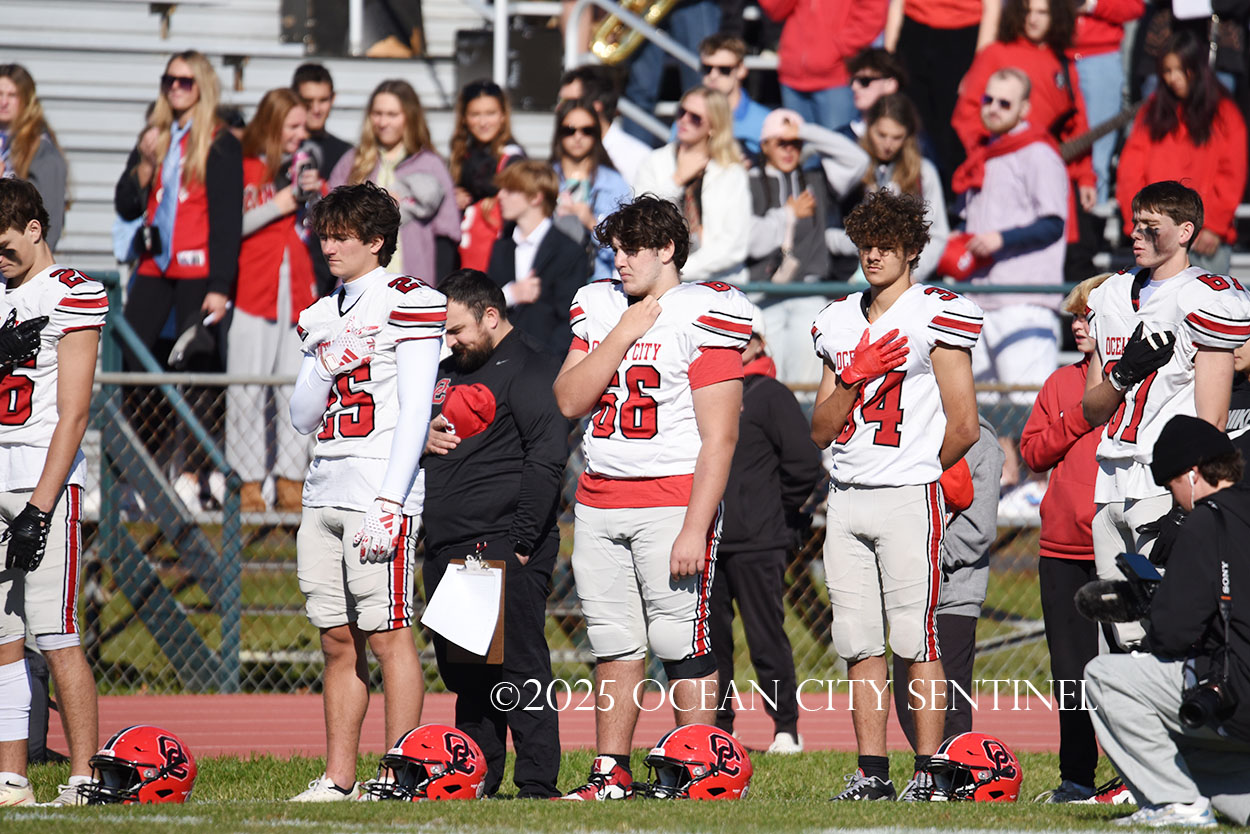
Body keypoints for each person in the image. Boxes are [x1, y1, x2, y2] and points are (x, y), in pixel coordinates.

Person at [553, 195, 752, 800]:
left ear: (668, 249)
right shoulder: (600, 306)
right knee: (612, 643)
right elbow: (569, 399)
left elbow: (720, 438)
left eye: (632, 249)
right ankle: (610, 773)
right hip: (598, 498)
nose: (620, 261)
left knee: (678, 641)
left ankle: (701, 770)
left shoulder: (703, 311)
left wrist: (695, 526)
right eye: (615, 249)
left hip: (670, 499)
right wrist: (622, 333)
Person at [810, 189, 981, 801]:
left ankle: (929, 772)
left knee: (915, 637)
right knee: (857, 641)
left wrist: (917, 470)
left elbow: (965, 425)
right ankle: (872, 772)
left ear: (912, 250)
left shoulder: (935, 312)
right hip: (846, 495)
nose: (873, 254)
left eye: (886, 244)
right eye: (866, 244)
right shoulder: (836, 319)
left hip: (908, 494)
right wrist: (851, 376)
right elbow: (820, 429)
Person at [286, 181, 445, 801]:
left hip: (377, 488)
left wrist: (390, 499)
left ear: (376, 241)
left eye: (342, 236)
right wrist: (327, 363)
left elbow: (414, 411)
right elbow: (302, 417)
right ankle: (339, 776)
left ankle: (400, 773)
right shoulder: (322, 312)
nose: (329, 246)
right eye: (325, 235)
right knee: (335, 639)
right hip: (324, 485)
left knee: (388, 635)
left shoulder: (406, 298)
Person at [420, 269, 570, 799]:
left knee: (520, 668)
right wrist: (420, 437)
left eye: (458, 329)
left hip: (503, 542)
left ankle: (537, 783)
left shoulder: (532, 366)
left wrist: (522, 543)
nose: (451, 341)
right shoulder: (445, 371)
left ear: (490, 316)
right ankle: (476, 776)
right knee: (468, 674)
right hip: (448, 544)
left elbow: (547, 460)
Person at [1082, 180, 1250, 649]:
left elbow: (1212, 424)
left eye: (1150, 227)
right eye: (1135, 224)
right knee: (1117, 642)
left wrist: (1185, 506)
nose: (1136, 234)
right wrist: (1122, 375)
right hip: (1109, 482)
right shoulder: (1112, 293)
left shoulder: (1206, 295)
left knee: (1164, 635)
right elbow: (1092, 409)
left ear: (1185, 232)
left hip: (1161, 487)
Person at [1085, 415, 1250, 827]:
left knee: (1105, 675)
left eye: (1171, 483)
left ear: (1192, 474)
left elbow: (1173, 635)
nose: (1174, 496)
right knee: (1191, 753)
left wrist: (1154, 604)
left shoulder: (1206, 520)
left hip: (1237, 698)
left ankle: (1175, 803)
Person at [0, 178, 107, 806]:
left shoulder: (72, 291)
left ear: (35, 229)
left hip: (42, 479)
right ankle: (11, 775)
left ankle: (84, 776)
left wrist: (41, 505)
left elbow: (75, 412)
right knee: (3, 639)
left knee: (56, 632)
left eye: (6, 245)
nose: (0, 258)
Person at [113, 50, 242, 510]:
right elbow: (126, 205)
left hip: (198, 270)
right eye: (169, 79)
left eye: (185, 81)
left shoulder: (219, 142)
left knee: (196, 368)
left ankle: (195, 473)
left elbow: (227, 221)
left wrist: (220, 285)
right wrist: (146, 165)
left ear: (202, 86)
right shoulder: (156, 133)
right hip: (154, 266)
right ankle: (135, 471)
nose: (175, 88)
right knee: (132, 360)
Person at [710, 312, 822, 754]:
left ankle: (785, 728)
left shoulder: (771, 394)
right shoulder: (705, 391)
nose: (732, 348)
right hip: (707, 539)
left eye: (740, 340)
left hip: (759, 541)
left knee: (765, 638)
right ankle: (719, 727)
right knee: (712, 643)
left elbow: (804, 463)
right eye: (722, 341)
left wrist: (775, 509)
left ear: (759, 342)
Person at [1018, 273, 1109, 803]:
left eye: (1087, 316)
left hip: (1121, 547)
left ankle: (1136, 778)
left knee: (1125, 667)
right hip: (1062, 548)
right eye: (1074, 316)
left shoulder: (1143, 380)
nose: (1077, 325)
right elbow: (1033, 453)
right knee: (1069, 673)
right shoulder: (1059, 383)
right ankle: (1076, 778)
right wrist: (1079, 416)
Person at [229, 88, 324, 513]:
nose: (301, 133)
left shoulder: (302, 167)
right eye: (293, 126)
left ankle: (291, 479)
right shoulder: (243, 166)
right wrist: (279, 204)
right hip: (253, 289)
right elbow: (228, 226)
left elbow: (321, 227)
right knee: (246, 388)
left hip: (299, 291)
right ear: (271, 124)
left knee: (295, 388)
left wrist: (313, 194)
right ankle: (247, 482)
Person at [953, 69, 1068, 402]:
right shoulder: (984, 151)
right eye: (988, 99)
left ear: (1024, 109)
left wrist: (1001, 239)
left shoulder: (1039, 153)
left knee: (1029, 411)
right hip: (979, 301)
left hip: (1024, 303)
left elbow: (1053, 224)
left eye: (1004, 103)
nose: (993, 108)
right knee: (983, 419)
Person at [892, 416, 1004, 747]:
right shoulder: (912, 430)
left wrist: (927, 558)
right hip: (910, 591)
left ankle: (955, 772)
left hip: (955, 593)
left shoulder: (981, 441)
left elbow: (978, 529)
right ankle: (927, 770)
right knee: (907, 700)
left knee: (950, 703)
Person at [747, 107, 869, 383]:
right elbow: (750, 242)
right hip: (763, 294)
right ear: (765, 145)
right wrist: (788, 215)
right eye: (781, 142)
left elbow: (858, 160)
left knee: (807, 383)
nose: (790, 149)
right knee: (768, 381)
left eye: (796, 143)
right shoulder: (747, 180)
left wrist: (805, 132)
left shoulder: (816, 180)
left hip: (809, 292)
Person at [1116, 31, 1247, 277]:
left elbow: (1232, 174)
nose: (1173, 78)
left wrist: (1214, 226)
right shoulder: (1151, 113)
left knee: (1205, 301)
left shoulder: (1224, 113)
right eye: (1167, 71)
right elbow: (1130, 171)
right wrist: (1140, 223)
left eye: (1181, 70)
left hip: (1205, 239)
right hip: (1156, 235)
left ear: (1197, 69)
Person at [951, 0, 1098, 217]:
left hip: (1048, 178)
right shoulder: (995, 53)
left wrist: (1085, 177)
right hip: (998, 173)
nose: (1033, 19)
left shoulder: (1063, 63)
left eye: (1042, 12)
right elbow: (967, 112)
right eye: (1027, 11)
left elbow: (1077, 124)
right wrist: (983, 155)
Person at [329, 79, 460, 284]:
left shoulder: (430, 165)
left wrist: (439, 291)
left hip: (414, 284)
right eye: (377, 113)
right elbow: (331, 222)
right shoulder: (353, 162)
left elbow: (446, 234)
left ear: (409, 117)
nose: (383, 122)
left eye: (392, 115)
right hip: (360, 284)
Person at [634, 87, 749, 285]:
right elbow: (641, 219)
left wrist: (679, 269)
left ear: (714, 126)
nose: (684, 120)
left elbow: (734, 245)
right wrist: (677, 180)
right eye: (681, 112)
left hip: (719, 284)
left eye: (695, 117)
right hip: (662, 283)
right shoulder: (653, 162)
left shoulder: (731, 173)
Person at [885, 0, 1001, 189]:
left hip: (961, 37)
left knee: (950, 134)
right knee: (910, 124)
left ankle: (949, 195)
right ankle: (908, 192)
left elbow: (992, 8)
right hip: (913, 31)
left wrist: (978, 68)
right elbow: (897, 4)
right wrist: (888, 58)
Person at [836, 94, 948, 282]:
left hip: (905, 279)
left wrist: (912, 274)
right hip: (850, 277)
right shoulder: (851, 167)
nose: (888, 145)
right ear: (868, 128)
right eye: (881, 135)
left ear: (908, 136)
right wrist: (859, 245)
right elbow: (827, 229)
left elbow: (937, 234)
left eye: (897, 137)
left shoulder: (923, 172)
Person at [485, 161, 589, 354]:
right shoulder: (501, 247)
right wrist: (509, 295)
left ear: (535, 197)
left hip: (545, 361)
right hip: (499, 358)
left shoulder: (568, 251)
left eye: (510, 190)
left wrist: (546, 364)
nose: (500, 196)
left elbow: (570, 321)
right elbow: (483, 306)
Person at [759, 0, 890, 131]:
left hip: (836, 79)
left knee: (837, 142)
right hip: (792, 76)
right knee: (798, 143)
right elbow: (774, 8)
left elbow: (873, 12)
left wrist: (839, 48)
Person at [1068, 0, 1142, 205]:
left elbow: (1134, 6)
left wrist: (1091, 4)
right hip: (1056, 52)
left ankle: (1095, 214)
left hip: (1100, 58)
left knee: (1098, 156)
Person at [550, 98, 632, 282]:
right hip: (551, 283)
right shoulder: (545, 178)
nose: (578, 137)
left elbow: (628, 248)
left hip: (598, 281)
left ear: (596, 133)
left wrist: (592, 223)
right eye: (570, 130)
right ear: (559, 133)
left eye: (586, 130)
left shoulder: (614, 182)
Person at [619, 0, 722, 144]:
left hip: (693, 4)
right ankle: (634, 155)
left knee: (703, 92)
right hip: (647, 5)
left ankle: (706, 151)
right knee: (640, 92)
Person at [449, 80, 525, 271]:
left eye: (490, 113)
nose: (483, 122)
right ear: (464, 118)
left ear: (503, 116)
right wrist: (451, 198)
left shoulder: (512, 159)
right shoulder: (460, 156)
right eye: (475, 114)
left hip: (499, 261)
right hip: (464, 256)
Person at [668, 35, 772, 155]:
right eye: (707, 68)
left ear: (741, 70)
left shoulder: (765, 121)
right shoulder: (688, 117)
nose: (713, 76)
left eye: (724, 69)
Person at [0, 65, 66, 251]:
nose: (4, 102)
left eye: (12, 95)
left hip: (16, 257)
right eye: (0, 94)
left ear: (26, 100)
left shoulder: (40, 147)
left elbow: (50, 218)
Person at [557, 65, 650, 187]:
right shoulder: (562, 149)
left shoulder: (636, 158)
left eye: (569, 102)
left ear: (597, 107)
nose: (559, 109)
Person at [291, 63, 352, 178]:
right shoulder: (279, 148)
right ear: (293, 98)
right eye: (308, 101)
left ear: (333, 98)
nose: (316, 109)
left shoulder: (346, 154)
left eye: (323, 100)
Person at [840, 48, 909, 141]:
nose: (854, 87)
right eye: (852, 80)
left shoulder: (911, 138)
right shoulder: (841, 138)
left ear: (890, 85)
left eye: (865, 81)